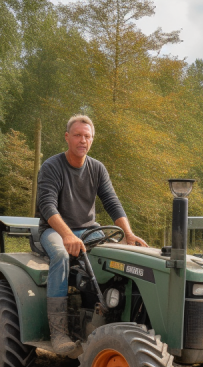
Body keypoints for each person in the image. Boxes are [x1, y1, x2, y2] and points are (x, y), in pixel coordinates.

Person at [36, 115, 148, 354]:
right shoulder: (52, 167)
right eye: (77, 135)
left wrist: (128, 233)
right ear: (67, 137)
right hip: (54, 230)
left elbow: (112, 202)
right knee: (61, 256)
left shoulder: (97, 168)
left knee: (117, 254)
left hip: (88, 230)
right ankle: (59, 332)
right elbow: (47, 206)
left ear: (92, 139)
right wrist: (67, 235)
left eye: (87, 136)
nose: (82, 140)